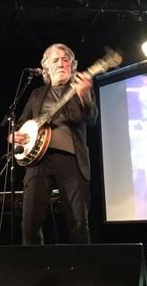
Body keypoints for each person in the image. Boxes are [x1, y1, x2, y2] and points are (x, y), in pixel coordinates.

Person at [10, 43, 98, 245]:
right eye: (55, 60)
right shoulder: (37, 94)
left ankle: (80, 271)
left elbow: (92, 119)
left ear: (72, 66)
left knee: (78, 221)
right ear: (46, 67)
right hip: (38, 161)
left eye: (65, 59)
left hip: (72, 161)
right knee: (29, 221)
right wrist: (15, 136)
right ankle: (34, 269)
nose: (61, 63)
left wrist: (84, 95)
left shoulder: (79, 89)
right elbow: (22, 123)